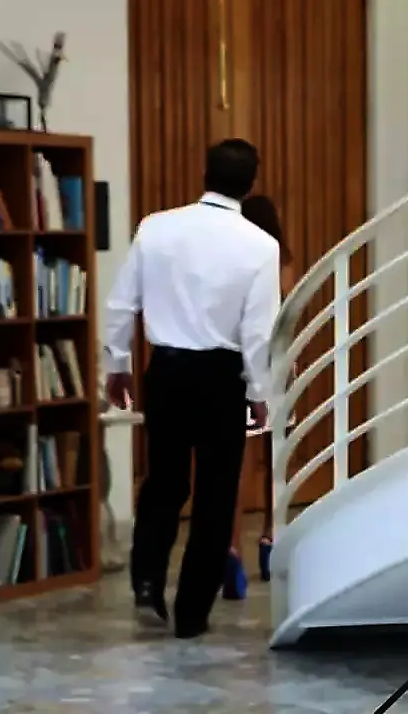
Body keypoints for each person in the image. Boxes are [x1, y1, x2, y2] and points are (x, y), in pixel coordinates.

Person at [102, 138, 280, 639]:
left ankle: (146, 582)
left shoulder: (155, 228)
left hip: (167, 369)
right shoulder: (260, 247)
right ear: (251, 183)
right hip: (221, 376)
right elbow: (258, 331)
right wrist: (259, 391)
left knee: (164, 481)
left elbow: (121, 304)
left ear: (205, 173)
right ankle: (192, 612)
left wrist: (118, 365)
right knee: (216, 494)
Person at [221, 194, 294, 599]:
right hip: (277, 364)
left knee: (236, 462)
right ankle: (270, 537)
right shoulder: (281, 261)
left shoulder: (231, 259)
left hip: (237, 363)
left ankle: (231, 549)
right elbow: (288, 313)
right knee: (276, 456)